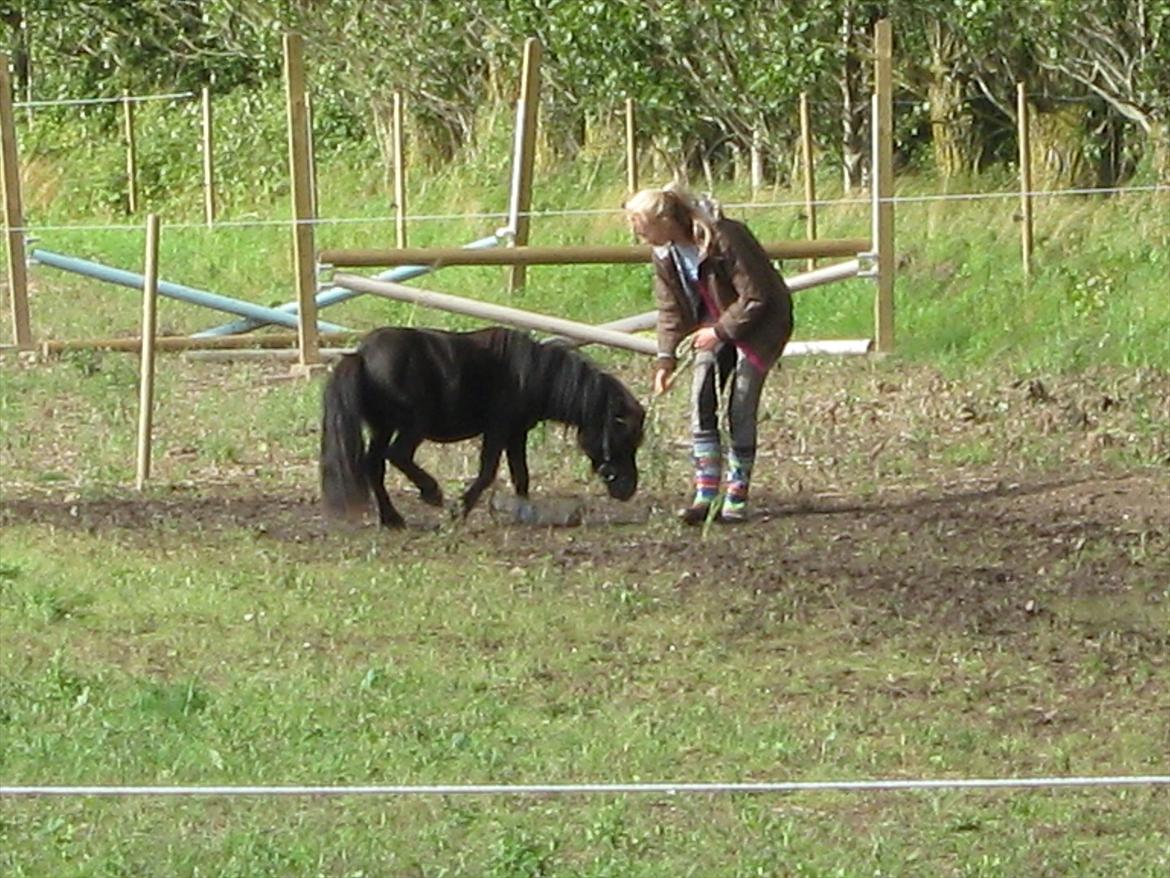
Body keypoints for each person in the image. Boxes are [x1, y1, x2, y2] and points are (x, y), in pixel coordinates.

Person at [625, 184, 793, 524]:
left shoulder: (724, 237)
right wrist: (665, 359)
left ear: (665, 220)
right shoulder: (664, 253)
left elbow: (756, 295)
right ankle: (705, 494)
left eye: (641, 227)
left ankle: (737, 495)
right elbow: (670, 309)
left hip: (760, 325)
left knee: (740, 404)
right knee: (701, 397)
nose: (637, 235)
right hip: (712, 326)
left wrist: (718, 331)